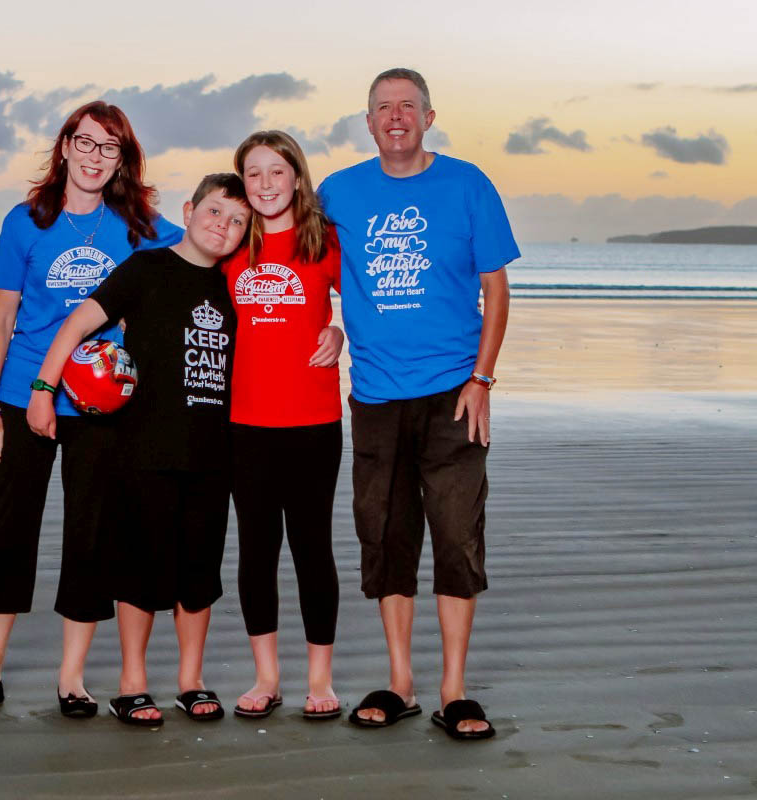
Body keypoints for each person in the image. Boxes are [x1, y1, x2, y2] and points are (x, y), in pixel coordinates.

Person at [0, 101, 182, 719]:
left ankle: (72, 678)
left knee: (91, 534)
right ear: (66, 146)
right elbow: (0, 319)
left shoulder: (139, 226)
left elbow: (208, 248)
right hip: (23, 394)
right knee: (10, 533)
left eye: (111, 148)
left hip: (100, 401)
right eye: (88, 143)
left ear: (122, 159)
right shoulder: (26, 222)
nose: (97, 157)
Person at [317, 68, 519, 739]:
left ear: (429, 117)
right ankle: (399, 682)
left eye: (407, 106)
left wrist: (482, 379)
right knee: (386, 538)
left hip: (454, 395)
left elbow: (496, 287)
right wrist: (333, 324)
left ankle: (453, 690)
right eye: (382, 107)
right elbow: (307, 270)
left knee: (457, 536)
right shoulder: (339, 193)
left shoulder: (467, 185)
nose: (395, 116)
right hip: (375, 396)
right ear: (368, 122)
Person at [29, 174, 250, 726]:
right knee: (140, 571)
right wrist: (43, 390)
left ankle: (191, 681)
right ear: (189, 209)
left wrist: (334, 333)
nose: (223, 226)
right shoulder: (146, 270)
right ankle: (132, 685)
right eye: (215, 211)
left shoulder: (234, 285)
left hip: (211, 452)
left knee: (198, 574)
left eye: (237, 221)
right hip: (143, 448)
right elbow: (78, 324)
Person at [221, 131, 345, 721]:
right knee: (256, 549)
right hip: (244, 423)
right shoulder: (230, 246)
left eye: (277, 171)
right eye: (253, 174)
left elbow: (373, 306)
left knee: (312, 547)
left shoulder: (324, 241)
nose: (266, 184)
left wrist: (340, 331)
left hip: (313, 421)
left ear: (297, 176)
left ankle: (320, 678)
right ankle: (266, 676)